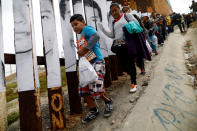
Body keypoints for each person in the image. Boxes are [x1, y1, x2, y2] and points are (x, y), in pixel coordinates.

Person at [70, 14, 113, 124]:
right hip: (88, 65)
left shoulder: (87, 29)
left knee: (96, 86)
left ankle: (108, 102)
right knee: (83, 89)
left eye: (76, 24)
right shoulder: (81, 37)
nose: (75, 27)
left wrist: (84, 49)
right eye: (72, 26)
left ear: (83, 22)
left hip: (97, 62)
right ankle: (93, 110)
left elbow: (96, 36)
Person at [99, 3, 151, 93]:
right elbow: (112, 35)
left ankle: (133, 83)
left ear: (119, 9)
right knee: (123, 66)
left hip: (129, 44)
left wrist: (128, 27)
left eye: (115, 10)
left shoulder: (127, 16)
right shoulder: (113, 22)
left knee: (130, 63)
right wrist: (103, 29)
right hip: (118, 46)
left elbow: (137, 24)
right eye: (112, 12)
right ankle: (132, 74)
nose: (114, 13)